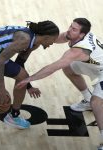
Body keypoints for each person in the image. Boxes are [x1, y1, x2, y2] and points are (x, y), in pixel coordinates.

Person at [16, 18, 103, 149]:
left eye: (74, 29)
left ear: (81, 35)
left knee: (96, 102)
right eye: (70, 26)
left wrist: (29, 79)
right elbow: (54, 38)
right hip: (96, 66)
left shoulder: (79, 50)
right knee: (68, 68)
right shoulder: (74, 36)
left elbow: (53, 67)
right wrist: (37, 37)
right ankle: (87, 99)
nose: (69, 30)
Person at [0, 20, 59, 129]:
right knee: (23, 76)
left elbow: (19, 63)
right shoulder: (25, 40)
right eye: (54, 39)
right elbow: (0, 60)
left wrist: (28, 86)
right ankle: (14, 117)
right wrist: (2, 88)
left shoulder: (33, 42)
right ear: (47, 36)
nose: (53, 43)